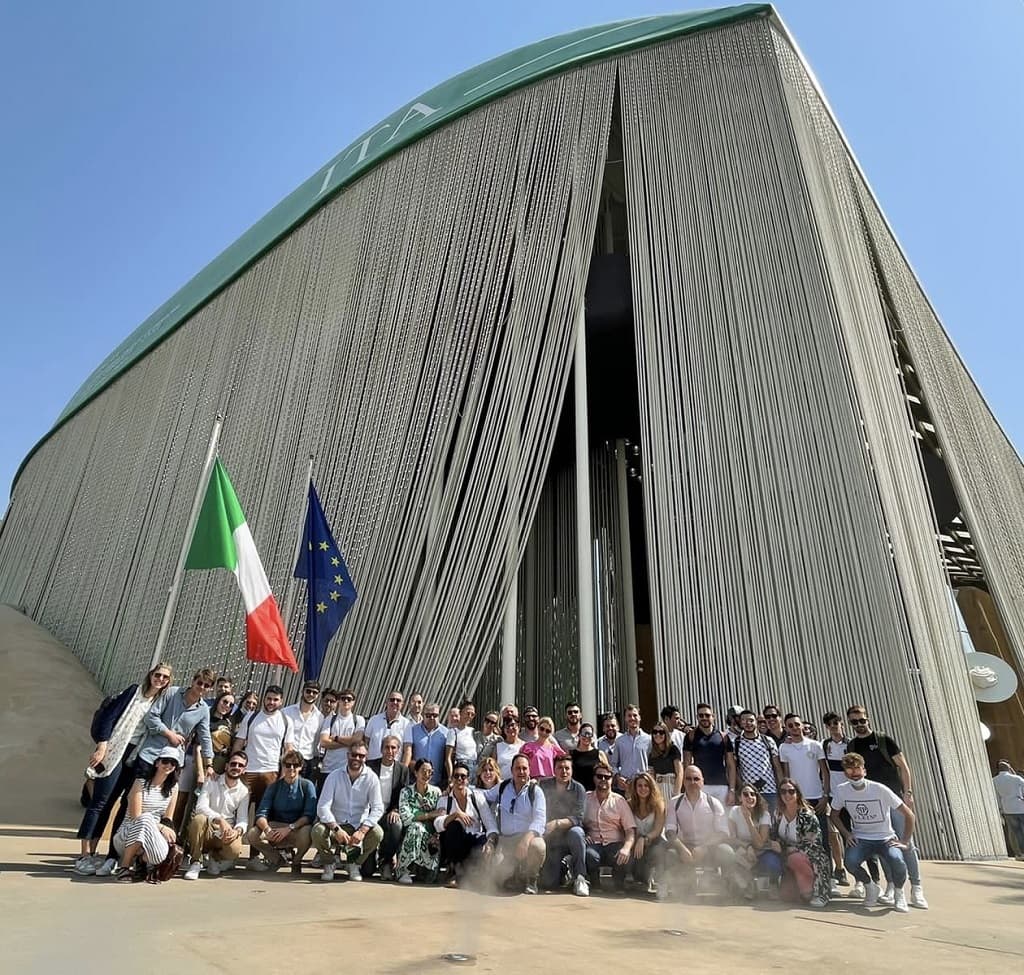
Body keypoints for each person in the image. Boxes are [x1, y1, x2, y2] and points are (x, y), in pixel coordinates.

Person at [75, 662, 172, 875]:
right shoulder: (133, 692)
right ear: (151, 675)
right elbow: (109, 716)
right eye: (158, 675)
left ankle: (111, 855)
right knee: (102, 801)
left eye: (165, 678)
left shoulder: (160, 703)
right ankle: (85, 855)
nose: (161, 680)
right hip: (114, 750)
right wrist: (102, 745)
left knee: (124, 805)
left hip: (136, 757)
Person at [846, 704, 927, 908]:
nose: (859, 724)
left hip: (895, 798)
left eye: (862, 720)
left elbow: (903, 766)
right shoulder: (853, 745)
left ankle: (916, 888)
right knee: (883, 845)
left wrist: (908, 793)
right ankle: (891, 886)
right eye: (854, 722)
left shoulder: (883, 740)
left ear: (868, 719)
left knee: (906, 844)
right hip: (873, 803)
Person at [830, 753, 916, 912]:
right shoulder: (842, 791)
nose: (854, 773)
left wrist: (905, 840)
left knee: (897, 860)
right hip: (862, 838)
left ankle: (899, 893)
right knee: (850, 861)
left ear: (864, 770)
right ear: (845, 773)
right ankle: (870, 886)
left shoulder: (879, 789)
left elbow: (909, 814)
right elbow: (834, 814)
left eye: (857, 769)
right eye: (849, 770)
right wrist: (847, 833)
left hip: (885, 838)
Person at [313, 743, 384, 882]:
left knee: (377, 833)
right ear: (348, 755)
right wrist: (336, 829)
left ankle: (354, 864)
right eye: (354, 755)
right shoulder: (334, 776)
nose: (357, 758)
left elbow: (377, 807)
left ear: (366, 758)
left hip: (358, 826)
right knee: (317, 831)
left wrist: (363, 830)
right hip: (335, 825)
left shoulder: (372, 778)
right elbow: (322, 807)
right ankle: (329, 863)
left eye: (361, 756)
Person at [110, 745, 181, 884]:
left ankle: (142, 861)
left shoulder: (173, 788)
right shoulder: (140, 783)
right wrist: (160, 827)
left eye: (173, 763)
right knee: (146, 817)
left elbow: (168, 818)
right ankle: (124, 867)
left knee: (161, 852)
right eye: (165, 761)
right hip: (128, 833)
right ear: (157, 762)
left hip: (152, 835)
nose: (169, 765)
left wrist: (167, 831)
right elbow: (136, 815)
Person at [663, 765, 737, 895]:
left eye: (696, 779)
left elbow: (722, 833)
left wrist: (704, 847)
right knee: (670, 854)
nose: (692, 782)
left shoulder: (714, 803)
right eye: (689, 779)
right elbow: (670, 831)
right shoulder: (674, 803)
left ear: (702, 781)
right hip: (686, 848)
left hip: (709, 847)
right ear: (683, 782)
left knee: (727, 852)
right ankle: (677, 886)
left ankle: (728, 888)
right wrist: (682, 849)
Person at [483, 753, 547, 894]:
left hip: (527, 840)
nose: (521, 772)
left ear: (529, 770)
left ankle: (531, 880)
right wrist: (458, 789)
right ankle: (515, 874)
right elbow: (483, 796)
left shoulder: (535, 791)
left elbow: (540, 820)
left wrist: (526, 839)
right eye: (517, 768)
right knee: (497, 875)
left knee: (538, 845)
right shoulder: (502, 787)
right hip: (506, 841)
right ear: (511, 770)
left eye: (524, 768)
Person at [245, 750, 316, 872]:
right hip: (276, 827)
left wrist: (289, 828)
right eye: (287, 765)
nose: (291, 768)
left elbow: (309, 815)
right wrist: (267, 829)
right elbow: (261, 813)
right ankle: (277, 859)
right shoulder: (274, 787)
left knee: (308, 831)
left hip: (297, 828)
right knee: (252, 834)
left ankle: (297, 861)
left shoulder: (307, 785)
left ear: (301, 767)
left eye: (295, 765)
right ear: (283, 766)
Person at [184, 750, 250, 879]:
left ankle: (215, 859)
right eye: (233, 764)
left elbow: (243, 819)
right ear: (226, 766)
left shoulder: (244, 791)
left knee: (235, 849)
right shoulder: (211, 781)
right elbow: (200, 807)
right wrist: (220, 820)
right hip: (208, 826)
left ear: (244, 770)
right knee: (198, 820)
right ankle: (196, 861)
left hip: (225, 832)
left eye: (240, 765)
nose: (236, 767)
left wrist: (237, 831)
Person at [434, 761, 498, 888]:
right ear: (452, 779)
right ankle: (453, 871)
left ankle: (474, 874)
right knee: (454, 825)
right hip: (455, 844)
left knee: (484, 844)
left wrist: (490, 843)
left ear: (468, 780)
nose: (459, 779)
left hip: (474, 841)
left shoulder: (477, 797)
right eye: (456, 776)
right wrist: (456, 815)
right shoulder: (444, 800)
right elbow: (437, 824)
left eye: (463, 776)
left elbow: (491, 825)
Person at [232, 684, 295, 813]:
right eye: (269, 698)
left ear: (281, 701)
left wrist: (284, 775)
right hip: (248, 771)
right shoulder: (250, 717)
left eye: (275, 699)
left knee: (263, 813)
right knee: (239, 810)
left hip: (271, 772)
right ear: (264, 699)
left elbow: (288, 750)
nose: (271, 702)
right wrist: (235, 765)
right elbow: (239, 743)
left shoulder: (286, 721)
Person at [770, 777, 831, 908]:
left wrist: (793, 849)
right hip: (786, 855)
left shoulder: (806, 815)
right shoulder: (778, 813)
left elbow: (814, 842)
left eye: (791, 791)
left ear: (797, 793)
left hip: (810, 856)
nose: (787, 795)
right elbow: (774, 835)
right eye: (783, 791)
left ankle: (817, 892)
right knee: (786, 897)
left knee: (795, 858)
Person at [779, 713, 830, 851]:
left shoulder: (815, 745)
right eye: (790, 725)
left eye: (797, 724)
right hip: (798, 800)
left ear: (802, 725)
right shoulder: (784, 748)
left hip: (817, 799)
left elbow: (825, 772)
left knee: (823, 839)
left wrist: (825, 797)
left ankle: (827, 872)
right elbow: (786, 776)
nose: (794, 727)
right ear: (787, 729)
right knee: (801, 839)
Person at [539, 753, 588, 896]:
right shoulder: (544, 785)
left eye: (567, 768)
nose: (564, 771)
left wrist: (557, 823)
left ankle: (580, 877)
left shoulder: (579, 789)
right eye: (560, 768)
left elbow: (579, 818)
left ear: (572, 770)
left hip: (570, 836)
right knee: (549, 884)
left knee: (577, 832)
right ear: (554, 769)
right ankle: (565, 869)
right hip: (551, 839)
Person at [583, 759, 635, 891]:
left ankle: (619, 883)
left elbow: (630, 830)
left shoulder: (619, 801)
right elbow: (577, 821)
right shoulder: (586, 798)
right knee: (588, 854)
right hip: (594, 843)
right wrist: (583, 834)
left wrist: (627, 848)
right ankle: (594, 883)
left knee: (623, 854)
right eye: (599, 776)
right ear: (594, 778)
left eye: (607, 777)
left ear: (612, 779)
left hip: (614, 843)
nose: (603, 779)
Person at [368, 734, 410, 879]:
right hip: (370, 812)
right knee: (366, 871)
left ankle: (385, 861)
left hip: (389, 813)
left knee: (396, 824)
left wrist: (396, 810)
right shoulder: (370, 767)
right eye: (387, 747)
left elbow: (404, 794)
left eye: (393, 748)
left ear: (398, 750)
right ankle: (369, 859)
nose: (390, 751)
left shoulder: (403, 770)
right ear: (381, 749)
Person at [727, 784, 780, 896]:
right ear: (740, 798)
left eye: (753, 794)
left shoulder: (764, 814)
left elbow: (760, 843)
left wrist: (748, 819)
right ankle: (748, 884)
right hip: (743, 849)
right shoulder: (734, 811)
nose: (750, 797)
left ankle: (773, 883)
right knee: (731, 855)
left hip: (762, 850)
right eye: (745, 794)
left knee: (773, 862)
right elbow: (732, 838)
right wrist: (747, 846)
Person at [396, 758, 442, 884]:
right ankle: (403, 869)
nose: (426, 775)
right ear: (416, 773)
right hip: (410, 836)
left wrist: (437, 835)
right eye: (423, 771)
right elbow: (407, 817)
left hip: (430, 837)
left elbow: (441, 816)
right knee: (416, 827)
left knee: (429, 879)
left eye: (430, 772)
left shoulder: (437, 792)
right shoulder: (406, 792)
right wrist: (429, 815)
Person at [683, 703, 737, 807]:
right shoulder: (690, 736)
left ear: (713, 716)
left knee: (723, 821)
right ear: (697, 717)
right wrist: (688, 787)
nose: (704, 718)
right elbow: (687, 765)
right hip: (700, 786)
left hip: (721, 787)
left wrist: (732, 790)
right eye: (701, 715)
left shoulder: (724, 737)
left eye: (707, 715)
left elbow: (731, 765)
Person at [820, 711, 852, 884]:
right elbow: (823, 771)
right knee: (835, 834)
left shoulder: (851, 744)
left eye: (836, 722)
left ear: (842, 723)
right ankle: (839, 870)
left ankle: (860, 877)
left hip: (853, 796)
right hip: (833, 796)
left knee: (855, 834)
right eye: (830, 724)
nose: (834, 726)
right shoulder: (824, 745)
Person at [733, 709, 783, 812]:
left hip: (770, 791)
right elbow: (734, 769)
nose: (748, 723)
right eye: (744, 720)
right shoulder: (736, 743)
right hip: (749, 794)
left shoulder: (768, 741)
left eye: (751, 720)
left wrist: (781, 790)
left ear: (756, 721)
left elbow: (777, 767)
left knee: (772, 825)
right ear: (740, 723)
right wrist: (742, 788)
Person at [627, 771, 666, 893]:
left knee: (656, 852)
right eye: (640, 785)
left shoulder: (658, 804)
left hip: (655, 840)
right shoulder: (629, 804)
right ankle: (637, 877)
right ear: (635, 787)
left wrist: (644, 839)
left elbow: (658, 829)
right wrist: (636, 840)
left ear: (651, 787)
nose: (643, 788)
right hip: (635, 841)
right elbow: (628, 827)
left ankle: (659, 880)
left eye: (646, 785)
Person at [318, 687, 366, 786]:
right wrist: (348, 743)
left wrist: (336, 738)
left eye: (349, 699)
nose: (346, 701)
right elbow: (323, 742)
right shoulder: (330, 719)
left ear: (353, 702)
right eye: (343, 698)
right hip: (328, 768)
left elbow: (357, 740)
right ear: (339, 701)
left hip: (347, 770)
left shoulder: (359, 720)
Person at [282, 680, 325, 781]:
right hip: (288, 758)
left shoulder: (320, 717)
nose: (311, 694)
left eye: (314, 692)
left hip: (307, 761)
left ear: (318, 695)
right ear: (302, 691)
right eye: (308, 691)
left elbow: (317, 741)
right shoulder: (286, 712)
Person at [403, 702, 447, 785]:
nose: (432, 718)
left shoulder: (445, 733)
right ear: (423, 715)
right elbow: (407, 753)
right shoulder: (413, 730)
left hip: (437, 783)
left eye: (435, 715)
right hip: (415, 782)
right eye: (428, 715)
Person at [610, 704, 651, 792]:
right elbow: (613, 764)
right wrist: (617, 777)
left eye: (635, 715)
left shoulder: (649, 740)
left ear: (639, 717)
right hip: (625, 787)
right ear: (625, 719)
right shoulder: (619, 741)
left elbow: (652, 763)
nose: (632, 718)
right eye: (629, 716)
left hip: (643, 787)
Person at [364, 691, 411, 761]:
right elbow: (365, 743)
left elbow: (407, 751)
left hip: (393, 769)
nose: (395, 702)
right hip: (372, 766)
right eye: (392, 699)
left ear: (402, 704)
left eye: (398, 700)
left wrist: (402, 770)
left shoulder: (407, 724)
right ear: (386, 702)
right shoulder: (374, 720)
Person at [444, 698, 480, 783]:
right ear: (460, 713)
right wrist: (450, 777)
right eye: (467, 713)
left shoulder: (473, 731)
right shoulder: (453, 732)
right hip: (461, 766)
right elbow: (448, 757)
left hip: (474, 767)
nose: (469, 716)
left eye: (472, 714)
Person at [993, 760, 1024, 858]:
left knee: (1014, 832)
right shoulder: (1017, 778)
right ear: (1009, 768)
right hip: (1020, 807)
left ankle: (1019, 853)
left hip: (1007, 809)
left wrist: (1000, 809)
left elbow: (997, 797)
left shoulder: (994, 780)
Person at [478, 714, 524, 779]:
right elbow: (493, 767)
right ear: (504, 729)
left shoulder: (524, 746)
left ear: (519, 727)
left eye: (513, 725)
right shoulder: (498, 746)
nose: (510, 728)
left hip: (519, 782)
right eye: (507, 726)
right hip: (501, 783)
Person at [648, 721, 683, 806]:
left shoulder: (673, 749)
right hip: (658, 788)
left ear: (666, 734)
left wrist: (676, 793)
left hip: (672, 786)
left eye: (661, 732)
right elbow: (652, 775)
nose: (658, 735)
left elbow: (680, 773)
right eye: (655, 732)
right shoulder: (652, 754)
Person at [208, 691, 237, 774]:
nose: (227, 706)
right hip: (208, 762)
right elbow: (197, 746)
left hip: (223, 764)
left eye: (231, 705)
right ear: (218, 701)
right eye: (225, 702)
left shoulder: (229, 723)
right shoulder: (206, 718)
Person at [570, 722, 604, 792]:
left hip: (595, 793)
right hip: (576, 793)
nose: (586, 736)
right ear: (579, 735)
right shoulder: (571, 754)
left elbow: (607, 773)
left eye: (589, 734)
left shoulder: (599, 754)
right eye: (584, 733)